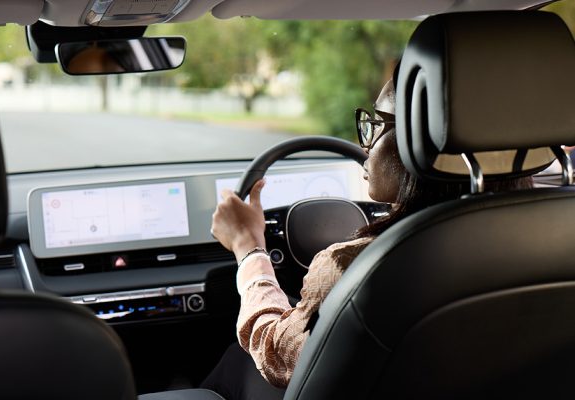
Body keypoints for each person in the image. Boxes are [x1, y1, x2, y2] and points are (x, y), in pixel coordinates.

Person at [203, 73, 533, 400]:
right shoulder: (551, 240)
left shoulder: (351, 264)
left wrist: (250, 249)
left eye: (378, 124)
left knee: (238, 359)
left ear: (420, 143)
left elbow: (275, 352)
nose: (367, 143)